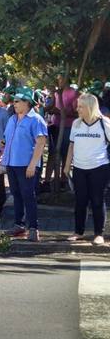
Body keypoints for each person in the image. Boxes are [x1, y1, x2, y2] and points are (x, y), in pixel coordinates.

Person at [2, 87, 48, 242]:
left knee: (29, 195)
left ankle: (34, 228)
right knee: (16, 194)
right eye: (14, 101)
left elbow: (41, 143)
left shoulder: (36, 119)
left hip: (26, 165)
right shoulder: (12, 119)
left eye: (17, 101)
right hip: (11, 163)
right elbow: (7, 139)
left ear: (27, 103)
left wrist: (32, 165)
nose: (13, 104)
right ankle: (19, 224)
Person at [63, 92, 109, 245]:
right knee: (80, 201)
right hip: (79, 168)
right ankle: (78, 232)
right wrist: (67, 165)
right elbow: (71, 145)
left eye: (81, 107)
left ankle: (98, 234)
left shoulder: (105, 123)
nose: (78, 109)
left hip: (99, 167)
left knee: (97, 200)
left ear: (90, 107)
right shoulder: (76, 124)